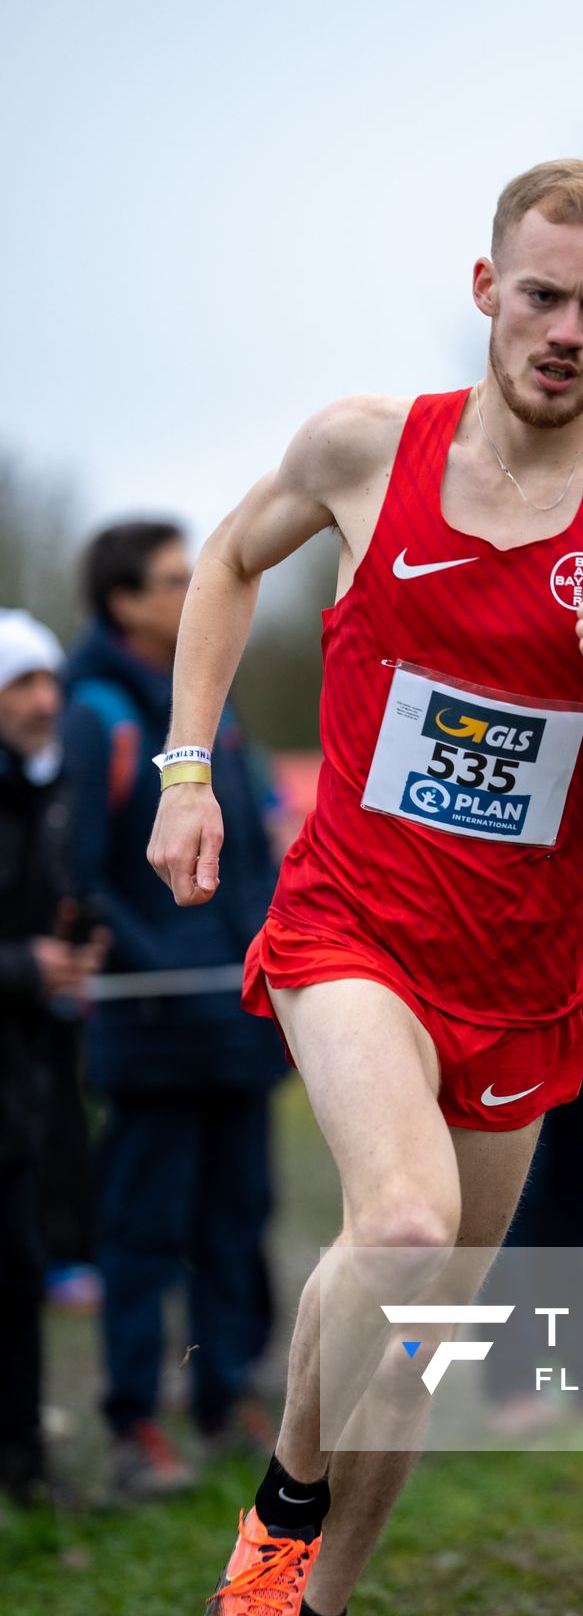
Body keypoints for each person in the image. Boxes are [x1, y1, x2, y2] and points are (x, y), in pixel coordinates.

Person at [146, 160, 583, 1616]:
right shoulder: (369, 448)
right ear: (486, 289)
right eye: (539, 294)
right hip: (355, 925)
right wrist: (188, 769)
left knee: (414, 1341)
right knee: (404, 1226)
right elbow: (228, 562)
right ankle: (276, 1522)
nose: (564, 328)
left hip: (529, 971)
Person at [62, 522, 286, 1500]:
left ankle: (225, 1397)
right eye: (171, 579)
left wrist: (265, 957)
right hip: (150, 1029)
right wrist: (171, 971)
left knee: (238, 1218)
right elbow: (80, 879)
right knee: (142, 1233)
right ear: (122, 602)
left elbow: (256, 854)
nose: (194, 589)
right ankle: (134, 1422)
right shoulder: (95, 714)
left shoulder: (214, 704)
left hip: (236, 1018)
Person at [0, 612, 106, 1504]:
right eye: (22, 686)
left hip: (23, 1080)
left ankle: (23, 1460)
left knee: (19, 1269)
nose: (45, 703)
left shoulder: (49, 787)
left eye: (49, 684)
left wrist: (75, 942)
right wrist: (23, 967)